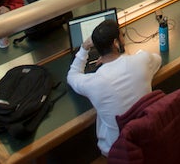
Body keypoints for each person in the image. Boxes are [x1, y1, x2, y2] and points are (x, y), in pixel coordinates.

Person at [66, 19, 161, 156]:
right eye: (122, 35)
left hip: (118, 150)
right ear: (116, 43)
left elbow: (72, 75)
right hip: (148, 136)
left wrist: (84, 48)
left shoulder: (93, 83)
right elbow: (157, 59)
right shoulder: (142, 61)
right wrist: (126, 56)